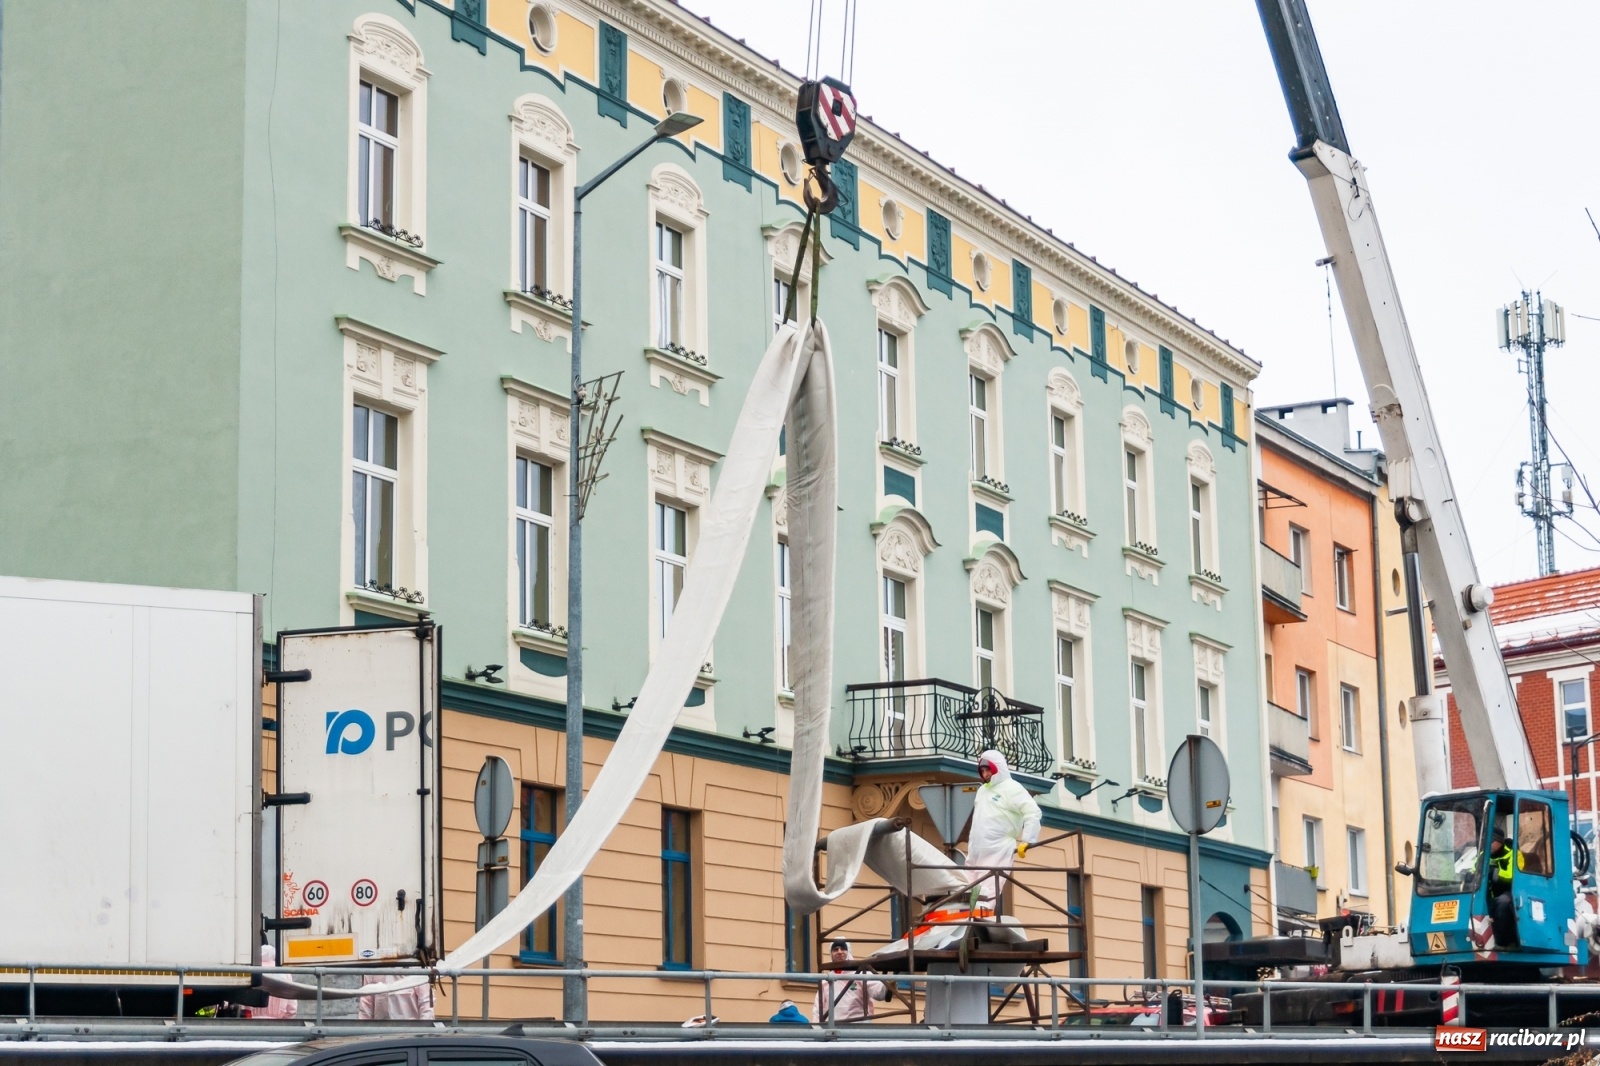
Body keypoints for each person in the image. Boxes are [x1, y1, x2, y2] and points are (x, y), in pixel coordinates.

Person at [965, 749, 1042, 903]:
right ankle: (968, 921)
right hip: (975, 851)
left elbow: (1032, 812)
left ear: (997, 768)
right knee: (966, 892)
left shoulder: (1012, 788)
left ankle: (979, 920)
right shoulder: (982, 791)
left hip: (997, 850)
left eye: (988, 770)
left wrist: (1027, 839)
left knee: (987, 892)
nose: (985, 774)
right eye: (983, 771)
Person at [812, 940, 890, 1023]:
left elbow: (875, 989)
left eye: (842, 949)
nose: (839, 952)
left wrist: (886, 988)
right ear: (831, 954)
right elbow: (818, 1009)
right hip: (833, 1029)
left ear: (848, 951)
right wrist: (817, 1029)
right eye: (835, 949)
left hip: (857, 1028)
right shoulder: (826, 980)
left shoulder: (860, 973)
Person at [1488, 828, 1524, 947]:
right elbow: (1475, 869)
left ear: (1500, 841)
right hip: (1491, 892)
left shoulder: (1514, 854)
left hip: (1512, 892)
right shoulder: (1484, 855)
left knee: (1503, 903)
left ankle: (1502, 941)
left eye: (1492, 841)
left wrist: (1494, 873)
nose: (1490, 844)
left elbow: (1513, 876)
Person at [358, 972, 435, 1020]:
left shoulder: (415, 966)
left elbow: (426, 1003)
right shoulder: (374, 968)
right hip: (382, 1034)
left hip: (411, 1035)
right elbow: (366, 1007)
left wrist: (424, 1033)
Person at [254, 944, 297, 1020]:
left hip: (249, 1022)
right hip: (276, 1023)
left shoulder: (249, 969)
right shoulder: (284, 972)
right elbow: (292, 1007)